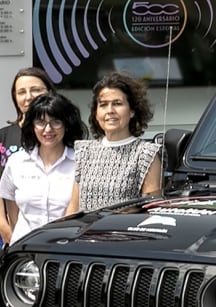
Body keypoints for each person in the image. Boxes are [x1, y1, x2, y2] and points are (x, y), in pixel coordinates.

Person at [0, 93, 83, 242]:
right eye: (40, 122)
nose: (48, 129)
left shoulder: (80, 162)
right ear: (32, 126)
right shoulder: (17, 161)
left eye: (56, 122)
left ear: (66, 125)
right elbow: (11, 205)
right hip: (25, 246)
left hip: (66, 246)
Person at [72, 71, 167, 211]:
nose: (110, 110)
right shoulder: (84, 151)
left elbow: (152, 210)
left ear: (132, 111)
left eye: (117, 103)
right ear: (96, 113)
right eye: (103, 105)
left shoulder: (146, 154)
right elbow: (73, 208)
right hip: (85, 226)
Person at [0, 66, 53, 204]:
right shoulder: (2, 137)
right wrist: (3, 219)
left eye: (36, 90)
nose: (29, 97)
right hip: (12, 215)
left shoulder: (63, 133)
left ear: (49, 92)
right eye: (21, 92)